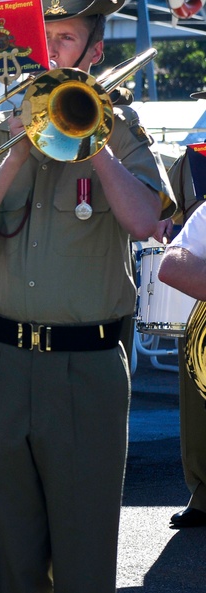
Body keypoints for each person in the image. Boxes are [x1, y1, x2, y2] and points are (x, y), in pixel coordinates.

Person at [0, 0, 175, 593]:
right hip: (7, 359)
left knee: (84, 562)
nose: (51, 51)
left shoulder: (118, 124)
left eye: (65, 38)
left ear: (93, 53)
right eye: (45, 38)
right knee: (9, 559)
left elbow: (148, 220)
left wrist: (89, 138)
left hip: (87, 367)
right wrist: (14, 150)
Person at [160, 119, 206, 529]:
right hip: (199, 290)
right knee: (197, 396)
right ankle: (202, 491)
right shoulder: (189, 162)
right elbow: (168, 221)